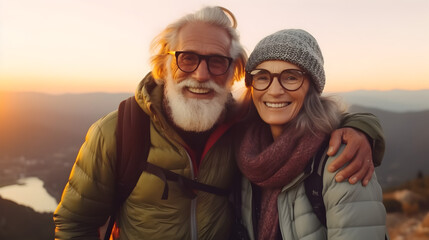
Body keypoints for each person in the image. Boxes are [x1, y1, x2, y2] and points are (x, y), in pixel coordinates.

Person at [53, 6, 385, 240]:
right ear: (164, 65)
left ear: (233, 72)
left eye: (216, 61)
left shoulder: (243, 127)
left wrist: (361, 129)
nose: (201, 74)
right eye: (188, 58)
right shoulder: (118, 133)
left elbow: (312, 115)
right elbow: (75, 225)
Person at [236, 29, 387, 240]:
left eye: (290, 77)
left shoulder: (341, 159)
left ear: (311, 87)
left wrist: (363, 129)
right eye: (262, 77)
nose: (275, 90)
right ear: (251, 85)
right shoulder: (246, 153)